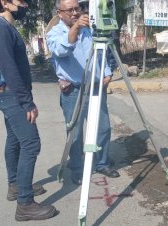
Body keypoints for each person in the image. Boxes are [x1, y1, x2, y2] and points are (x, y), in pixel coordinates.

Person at [0, 0, 56, 221]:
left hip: (10, 93)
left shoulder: (5, 26)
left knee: (14, 139)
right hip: (10, 94)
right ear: (4, 2)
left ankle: (15, 185)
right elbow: (8, 66)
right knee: (31, 143)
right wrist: (26, 102)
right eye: (21, 0)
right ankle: (25, 204)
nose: (25, 4)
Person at [46, 0, 120, 185]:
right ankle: (78, 168)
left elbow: (101, 54)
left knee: (103, 128)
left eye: (77, 9)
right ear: (59, 13)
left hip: (95, 87)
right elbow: (62, 50)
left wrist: (108, 73)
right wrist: (76, 28)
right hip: (73, 90)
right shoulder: (55, 33)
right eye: (69, 10)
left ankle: (101, 162)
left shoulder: (89, 30)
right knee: (76, 134)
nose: (74, 13)